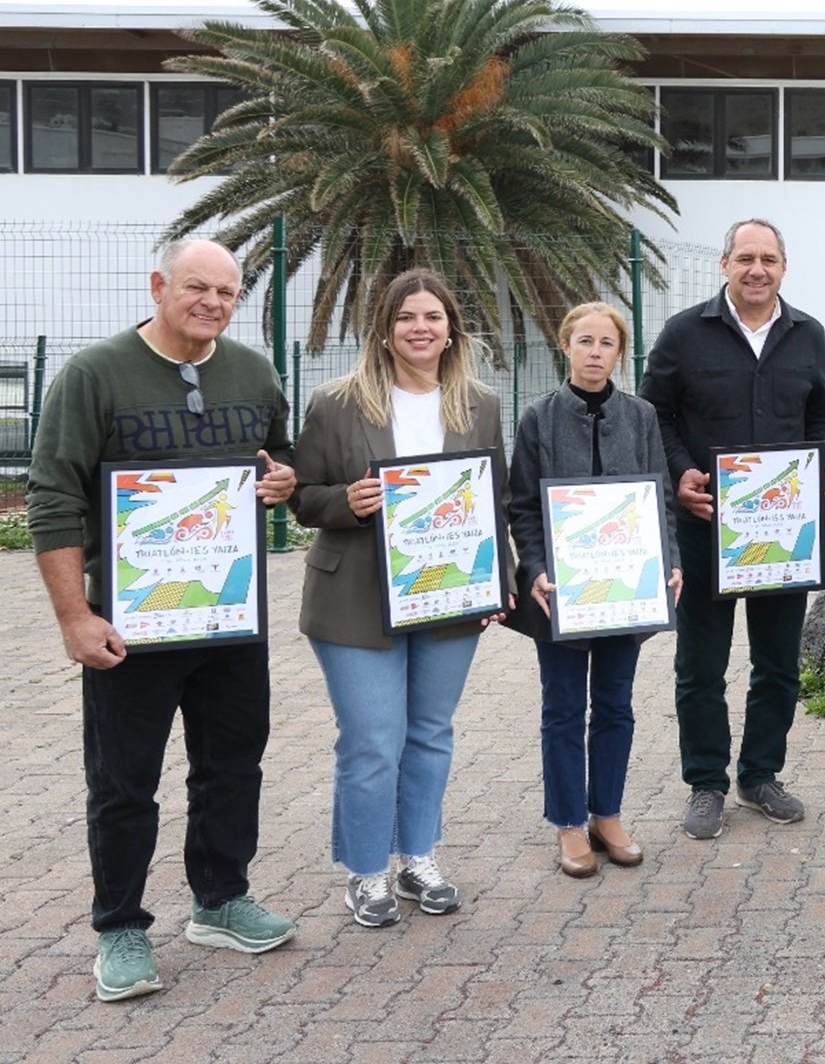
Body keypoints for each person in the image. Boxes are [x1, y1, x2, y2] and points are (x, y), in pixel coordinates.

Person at [28, 239, 300, 1000]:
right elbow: (52, 498)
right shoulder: (94, 373)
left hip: (228, 612)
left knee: (232, 763)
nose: (212, 301)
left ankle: (219, 899)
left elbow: (278, 451)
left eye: (226, 291)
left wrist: (283, 476)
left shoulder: (252, 370)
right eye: (196, 287)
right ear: (159, 286)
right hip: (131, 620)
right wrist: (75, 617)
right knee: (123, 780)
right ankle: (119, 926)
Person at [289, 267, 512, 928]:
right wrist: (345, 502)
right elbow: (300, 496)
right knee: (372, 739)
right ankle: (365, 871)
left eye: (433, 317)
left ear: (451, 329)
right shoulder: (337, 403)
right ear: (385, 331)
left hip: (448, 595)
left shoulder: (482, 403)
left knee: (430, 733)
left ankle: (417, 856)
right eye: (407, 316)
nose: (420, 327)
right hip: (354, 599)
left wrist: (495, 578)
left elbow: (489, 501)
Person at [640, 219, 825, 840]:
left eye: (770, 259)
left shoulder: (808, 334)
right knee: (700, 664)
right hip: (706, 527)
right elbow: (656, 414)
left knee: (777, 663)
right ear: (725, 264)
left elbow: (822, 415)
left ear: (784, 267)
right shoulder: (682, 334)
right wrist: (678, 473)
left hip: (782, 531)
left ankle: (760, 776)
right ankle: (706, 783)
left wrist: (822, 469)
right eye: (746, 257)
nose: (758, 269)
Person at [506, 303, 683, 877]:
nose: (595, 352)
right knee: (561, 708)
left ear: (618, 352)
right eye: (585, 341)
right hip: (561, 591)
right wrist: (534, 568)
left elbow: (660, 498)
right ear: (565, 345)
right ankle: (567, 823)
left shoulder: (641, 416)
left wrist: (670, 560)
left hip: (625, 588)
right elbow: (523, 507)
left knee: (615, 705)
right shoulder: (537, 418)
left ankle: (607, 813)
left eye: (607, 343)